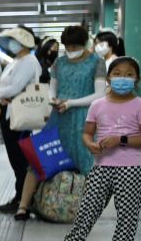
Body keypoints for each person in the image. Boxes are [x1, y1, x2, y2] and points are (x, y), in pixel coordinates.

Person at [40, 56, 141, 241]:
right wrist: (90, 145)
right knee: (87, 209)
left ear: (137, 80)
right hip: (101, 166)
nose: (122, 78)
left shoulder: (139, 105)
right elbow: (87, 133)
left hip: (132, 168)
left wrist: (120, 140)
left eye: (129, 74)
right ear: (108, 78)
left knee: (127, 213)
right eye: (117, 74)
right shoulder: (98, 105)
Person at [18, 25, 107, 214]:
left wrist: (71, 103)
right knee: (41, 158)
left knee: (86, 162)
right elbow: (53, 87)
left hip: (83, 118)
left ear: (84, 44)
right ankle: (23, 207)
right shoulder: (59, 62)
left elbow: (99, 94)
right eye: (67, 47)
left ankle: (86, 210)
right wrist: (52, 99)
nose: (71, 52)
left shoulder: (96, 62)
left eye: (75, 47)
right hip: (58, 116)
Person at [0, 26, 43, 219]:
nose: (11, 44)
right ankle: (20, 196)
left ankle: (23, 199)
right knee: (16, 158)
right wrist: (1, 95)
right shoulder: (17, 60)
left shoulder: (29, 61)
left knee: (20, 159)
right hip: (10, 113)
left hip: (20, 116)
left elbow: (15, 87)